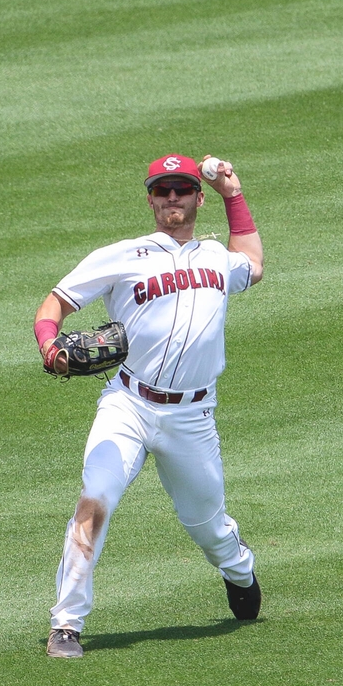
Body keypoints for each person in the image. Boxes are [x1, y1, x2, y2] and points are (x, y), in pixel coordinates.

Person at [33, 154, 264, 658]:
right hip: (128, 404)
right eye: (164, 190)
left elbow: (255, 264)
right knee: (94, 501)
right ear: (151, 199)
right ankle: (66, 623)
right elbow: (56, 302)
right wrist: (49, 346)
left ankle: (238, 567)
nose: (173, 198)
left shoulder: (216, 258)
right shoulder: (121, 255)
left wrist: (233, 192)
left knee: (208, 526)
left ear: (196, 197)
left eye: (182, 189)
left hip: (193, 417)